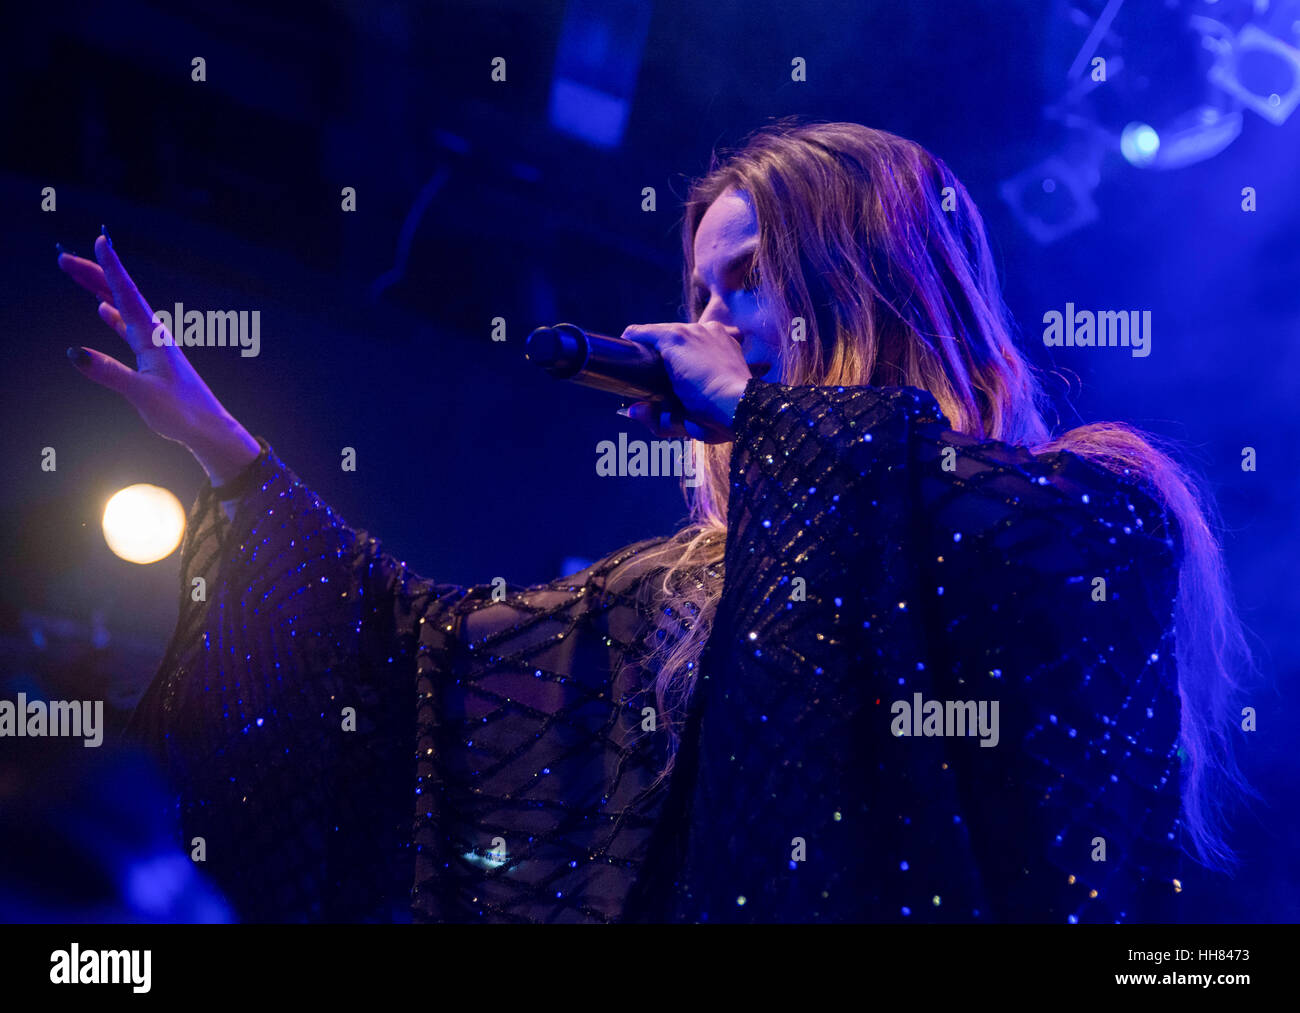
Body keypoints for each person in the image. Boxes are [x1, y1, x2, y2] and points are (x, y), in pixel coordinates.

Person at [57, 119, 1253, 924]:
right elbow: (425, 654)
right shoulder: (686, 585)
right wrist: (228, 456)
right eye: (696, 291)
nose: (709, 316)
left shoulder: (1088, 499)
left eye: (747, 277)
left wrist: (766, 414)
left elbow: (986, 554)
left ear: (869, 274)